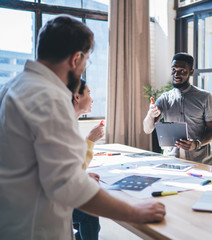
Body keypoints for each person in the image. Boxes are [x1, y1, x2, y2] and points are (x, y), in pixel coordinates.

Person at [0, 15, 165, 240]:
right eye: (86, 61)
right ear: (76, 58)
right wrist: (134, 212)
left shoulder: (10, 88)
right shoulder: (49, 97)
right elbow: (69, 186)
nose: (84, 68)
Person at [143, 53, 212, 165]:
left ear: (191, 72)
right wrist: (150, 114)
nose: (176, 74)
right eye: (173, 69)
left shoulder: (205, 97)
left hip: (201, 161)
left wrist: (196, 144)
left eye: (182, 70)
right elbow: (147, 129)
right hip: (173, 161)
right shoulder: (164, 99)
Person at [72, 79, 103, 240]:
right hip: (48, 202)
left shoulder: (69, 122)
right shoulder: (64, 125)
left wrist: (82, 175)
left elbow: (71, 167)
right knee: (90, 209)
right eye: (89, 94)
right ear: (77, 97)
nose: (92, 99)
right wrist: (90, 140)